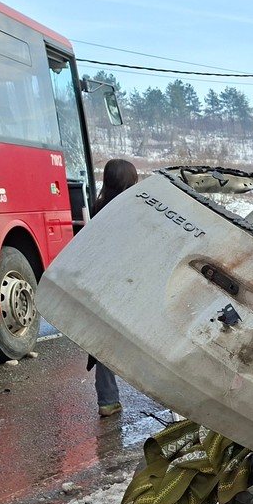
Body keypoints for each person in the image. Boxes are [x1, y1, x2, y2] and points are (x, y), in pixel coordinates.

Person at [87, 159, 139, 417]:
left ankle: (107, 400)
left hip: (101, 285)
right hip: (128, 284)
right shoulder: (135, 210)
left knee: (104, 343)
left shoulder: (98, 208)